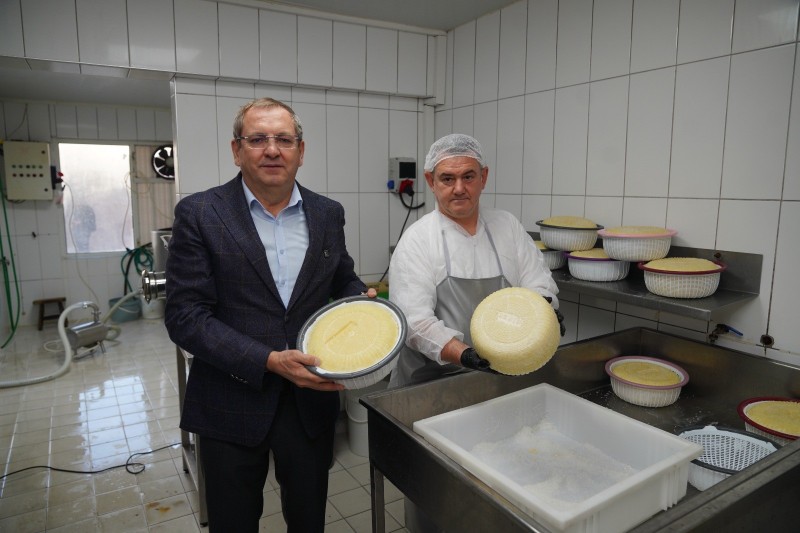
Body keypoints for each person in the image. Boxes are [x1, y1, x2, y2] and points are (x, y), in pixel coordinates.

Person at [164, 97, 374, 532]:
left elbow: (342, 280)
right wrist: (267, 360)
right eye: (258, 139)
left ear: (301, 150)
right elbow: (185, 316)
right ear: (236, 150)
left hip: (308, 400)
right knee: (233, 523)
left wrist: (361, 300)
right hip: (229, 399)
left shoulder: (327, 213)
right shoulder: (201, 213)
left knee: (308, 519)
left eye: (284, 139)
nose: (272, 150)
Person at [388, 133, 565, 531]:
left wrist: (546, 312)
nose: (459, 188)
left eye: (468, 176)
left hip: (499, 384)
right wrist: (464, 354)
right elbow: (414, 322)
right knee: (437, 493)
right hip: (433, 388)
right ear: (431, 181)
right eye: (447, 179)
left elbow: (539, 283)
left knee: (497, 484)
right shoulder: (418, 240)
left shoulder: (506, 226)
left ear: (484, 177)